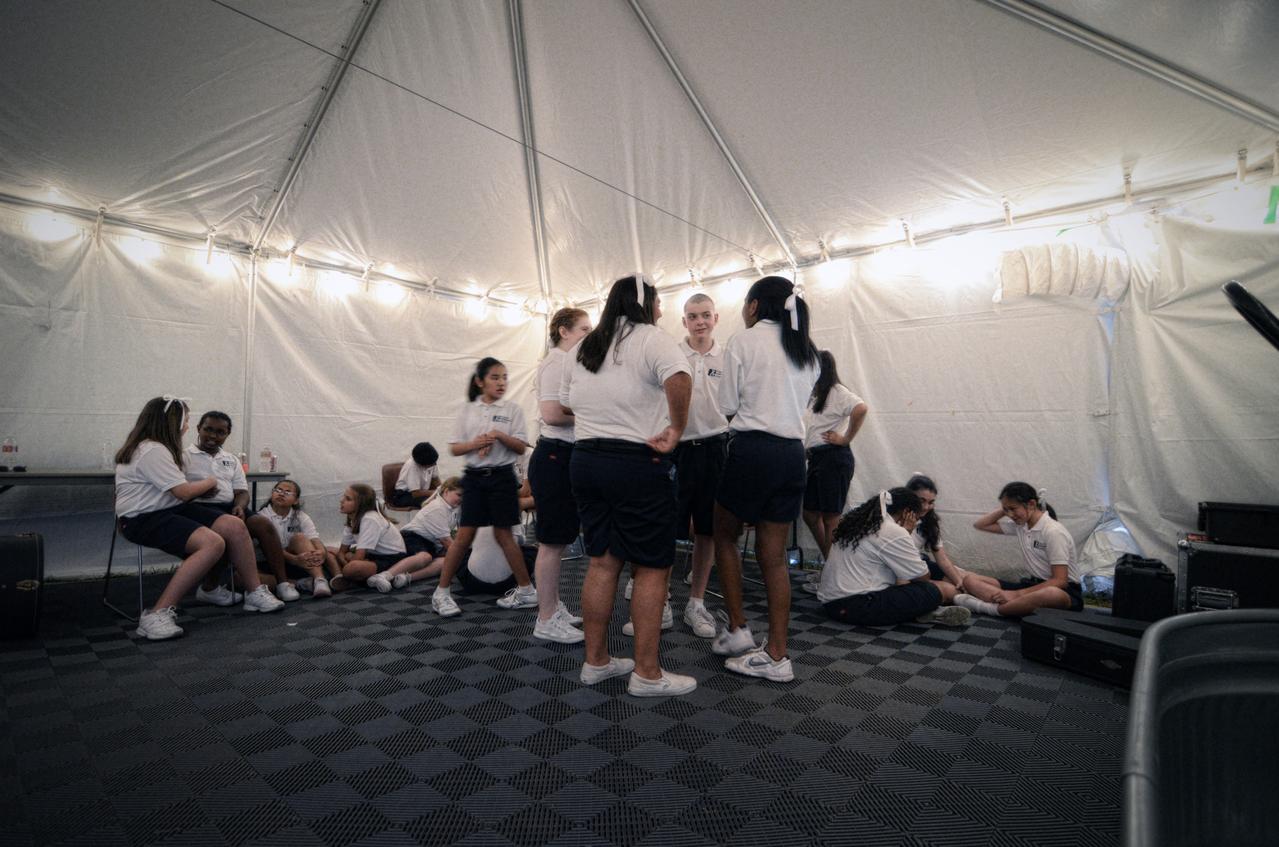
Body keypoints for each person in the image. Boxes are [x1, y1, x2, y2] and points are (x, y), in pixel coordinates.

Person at [562, 273, 696, 697]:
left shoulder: (585, 346)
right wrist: (676, 428)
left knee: (602, 562)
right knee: (651, 567)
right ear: (645, 302)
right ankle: (647, 674)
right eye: (658, 302)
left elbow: (566, 400)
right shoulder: (653, 338)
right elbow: (680, 377)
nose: (661, 310)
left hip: (586, 459)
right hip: (636, 463)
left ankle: (596, 662)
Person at [711, 276, 820, 683]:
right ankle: (777, 654)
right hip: (792, 455)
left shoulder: (744, 341)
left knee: (724, 535)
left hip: (752, 451)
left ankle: (738, 629)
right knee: (773, 556)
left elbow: (727, 405)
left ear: (754, 306)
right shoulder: (807, 351)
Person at [114, 396, 284, 640]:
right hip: (143, 518)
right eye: (186, 421)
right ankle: (155, 615)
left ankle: (254, 591)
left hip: (169, 509)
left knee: (234, 525)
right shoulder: (153, 450)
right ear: (173, 422)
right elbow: (183, 492)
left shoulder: (156, 448)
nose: (186, 426)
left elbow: (178, 493)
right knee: (213, 543)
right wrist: (211, 482)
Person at [631, 292, 726, 639]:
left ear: (716, 318)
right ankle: (663, 599)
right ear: (684, 321)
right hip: (676, 449)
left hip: (714, 448)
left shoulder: (727, 356)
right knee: (668, 526)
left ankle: (696, 602)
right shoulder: (670, 352)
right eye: (693, 316)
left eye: (705, 315)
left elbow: (735, 403)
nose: (700, 322)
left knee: (707, 529)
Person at [430, 358, 534, 616]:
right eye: (495, 377)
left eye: (505, 377)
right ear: (479, 381)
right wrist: (475, 444)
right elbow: (455, 448)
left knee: (505, 535)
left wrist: (498, 435)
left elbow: (521, 447)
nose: (501, 383)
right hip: (475, 478)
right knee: (464, 537)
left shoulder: (513, 410)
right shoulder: (467, 411)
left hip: (503, 478)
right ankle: (441, 593)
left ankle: (526, 591)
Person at [185, 410, 299, 603]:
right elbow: (177, 491)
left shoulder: (231, 459)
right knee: (228, 530)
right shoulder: (184, 456)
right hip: (197, 508)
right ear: (198, 429)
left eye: (220, 432)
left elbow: (242, 492)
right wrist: (197, 492)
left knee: (264, 525)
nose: (213, 436)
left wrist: (239, 506)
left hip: (229, 507)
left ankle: (282, 583)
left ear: (227, 434)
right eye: (208, 429)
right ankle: (212, 587)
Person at [528, 307, 592, 643]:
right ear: (564, 331)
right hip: (554, 455)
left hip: (563, 455)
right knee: (551, 543)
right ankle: (546, 618)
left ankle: (552, 605)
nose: (589, 335)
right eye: (584, 329)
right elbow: (552, 414)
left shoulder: (568, 363)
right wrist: (593, 412)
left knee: (560, 539)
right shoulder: (556, 362)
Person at [816, 488, 970, 627]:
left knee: (916, 585)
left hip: (832, 604)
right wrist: (907, 533)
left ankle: (925, 612)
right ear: (907, 513)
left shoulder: (861, 522)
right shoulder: (893, 531)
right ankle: (976, 605)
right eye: (916, 517)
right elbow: (923, 577)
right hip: (856, 606)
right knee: (937, 589)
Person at [957, 482, 1082, 616]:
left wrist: (1016, 594)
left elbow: (1060, 581)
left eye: (1013, 508)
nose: (1010, 514)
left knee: (1051, 594)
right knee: (970, 580)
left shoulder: (1053, 531)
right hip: (1031, 586)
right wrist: (1005, 508)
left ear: (1031, 504)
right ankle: (1015, 605)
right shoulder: (1021, 526)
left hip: (1064, 591)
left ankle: (991, 609)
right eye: (1006, 510)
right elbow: (980, 525)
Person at [801, 351, 868, 560]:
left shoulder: (837, 392)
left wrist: (846, 438)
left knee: (831, 517)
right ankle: (831, 561)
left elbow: (861, 408)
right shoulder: (814, 394)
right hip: (816, 458)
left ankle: (834, 569)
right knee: (809, 513)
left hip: (833, 457)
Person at [330, 484, 434, 593]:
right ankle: (354, 577)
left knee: (352, 568)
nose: (341, 500)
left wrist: (347, 564)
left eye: (348, 499)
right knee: (332, 551)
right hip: (373, 556)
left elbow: (358, 557)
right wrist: (345, 559)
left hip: (391, 558)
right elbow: (342, 551)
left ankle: (362, 577)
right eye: (344, 497)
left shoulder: (369, 518)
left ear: (360, 504)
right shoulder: (352, 520)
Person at [256, 479, 339, 598]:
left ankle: (320, 580)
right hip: (270, 563)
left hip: (299, 562)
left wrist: (321, 552)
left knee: (300, 538)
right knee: (242, 578)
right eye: (278, 490)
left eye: (287, 492)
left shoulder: (300, 516)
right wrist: (294, 559)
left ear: (296, 501)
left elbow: (314, 538)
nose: (281, 494)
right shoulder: (261, 517)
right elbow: (269, 549)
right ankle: (300, 584)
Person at [904, 473, 965, 587]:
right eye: (921, 500)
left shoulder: (928, 522)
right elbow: (897, 556)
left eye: (931, 502)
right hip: (902, 569)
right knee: (949, 588)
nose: (926, 507)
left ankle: (1003, 587)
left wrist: (959, 582)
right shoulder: (895, 518)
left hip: (919, 563)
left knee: (967, 579)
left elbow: (942, 559)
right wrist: (906, 531)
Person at [455, 524, 538, 596]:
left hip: (471, 583)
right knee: (530, 551)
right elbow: (521, 541)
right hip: (508, 584)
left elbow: (467, 544)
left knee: (461, 554)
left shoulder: (474, 516)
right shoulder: (511, 515)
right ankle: (525, 583)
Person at [401, 476, 461, 557]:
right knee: (425, 557)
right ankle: (397, 566)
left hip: (429, 543)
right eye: (459, 495)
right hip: (412, 537)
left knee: (445, 560)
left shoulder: (453, 508)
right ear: (446, 491)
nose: (462, 499)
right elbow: (446, 540)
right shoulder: (438, 508)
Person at [391, 442, 441, 508]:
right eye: (431, 464)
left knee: (443, 499)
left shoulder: (431, 460)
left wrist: (443, 489)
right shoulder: (411, 466)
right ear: (422, 464)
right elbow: (415, 493)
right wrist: (435, 492)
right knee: (432, 502)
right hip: (404, 495)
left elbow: (435, 479)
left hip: (422, 492)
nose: (434, 465)